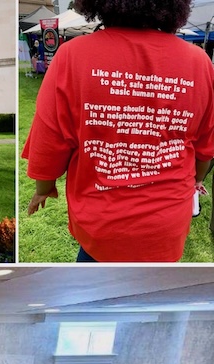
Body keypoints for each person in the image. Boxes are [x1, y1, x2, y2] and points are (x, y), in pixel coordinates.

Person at [22, 0, 214, 261]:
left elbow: (49, 142)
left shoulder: (72, 56)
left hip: (101, 221)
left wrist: (43, 188)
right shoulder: (199, 61)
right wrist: (195, 180)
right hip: (167, 219)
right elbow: (205, 149)